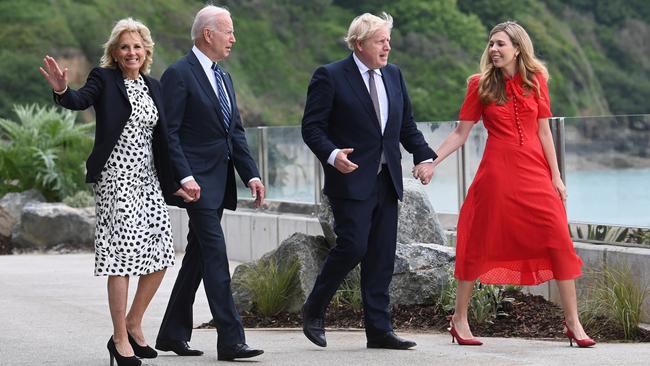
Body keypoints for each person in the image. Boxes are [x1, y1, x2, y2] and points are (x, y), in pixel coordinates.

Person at [412, 21, 595, 348]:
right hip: (497, 175)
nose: (494, 50)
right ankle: (459, 319)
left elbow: (543, 132)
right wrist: (431, 161)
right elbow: (460, 134)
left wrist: (556, 177)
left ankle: (573, 323)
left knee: (557, 239)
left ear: (517, 49)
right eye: (491, 44)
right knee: (478, 241)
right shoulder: (479, 85)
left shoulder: (536, 81)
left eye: (501, 44)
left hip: (535, 173)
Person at [39, 18, 190, 366]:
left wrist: (182, 179)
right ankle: (119, 340)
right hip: (116, 179)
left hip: (149, 181)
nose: (131, 52)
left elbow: (168, 140)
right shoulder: (103, 79)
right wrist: (63, 90)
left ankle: (133, 323)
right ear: (115, 53)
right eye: (124, 47)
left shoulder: (154, 86)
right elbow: (79, 101)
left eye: (137, 46)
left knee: (161, 254)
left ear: (146, 51)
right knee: (121, 260)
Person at [301, 12, 437, 350]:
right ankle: (313, 309)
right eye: (381, 40)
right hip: (349, 180)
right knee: (353, 246)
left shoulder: (393, 75)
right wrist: (333, 155)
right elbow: (312, 128)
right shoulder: (330, 76)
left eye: (389, 40)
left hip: (387, 180)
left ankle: (379, 330)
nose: (388, 46)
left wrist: (424, 156)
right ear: (359, 44)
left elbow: (406, 126)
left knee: (381, 256)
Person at [154, 5, 265, 361]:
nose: (233, 38)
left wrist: (252, 174)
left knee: (199, 257)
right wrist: (184, 176)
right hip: (195, 184)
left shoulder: (224, 77)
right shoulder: (179, 74)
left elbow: (234, 132)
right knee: (216, 255)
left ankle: (172, 332)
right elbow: (168, 133)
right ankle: (231, 341)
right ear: (208, 34)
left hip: (220, 183)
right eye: (228, 31)